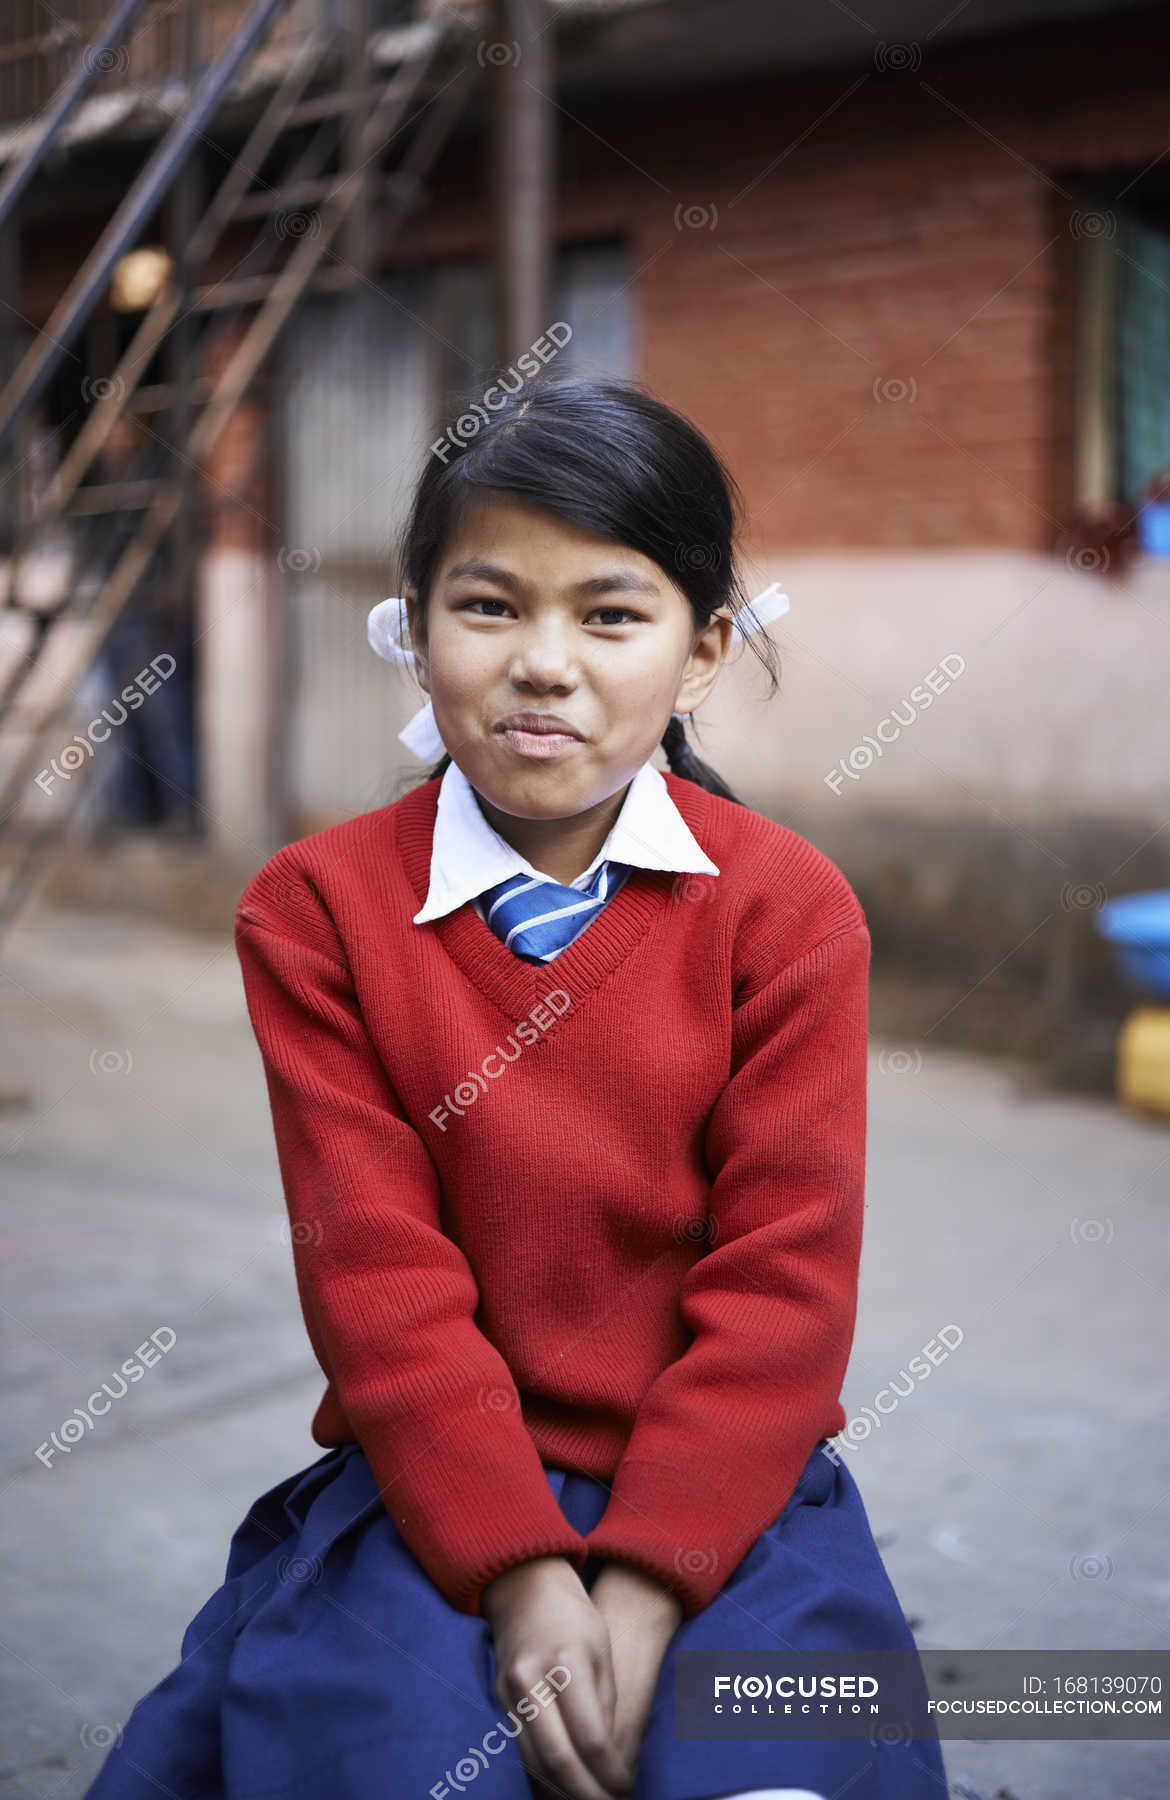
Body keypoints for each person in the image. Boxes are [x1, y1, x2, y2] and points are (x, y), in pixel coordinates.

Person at [84, 376, 948, 1800]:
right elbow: (376, 1277)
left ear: (700, 652)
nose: (544, 663)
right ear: (413, 632)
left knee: (778, 1770)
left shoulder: (786, 914)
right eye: (489, 607)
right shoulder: (318, 913)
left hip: (734, 1498)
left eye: (610, 615)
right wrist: (521, 1575)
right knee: (396, 1763)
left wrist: (651, 1589)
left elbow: (783, 1290)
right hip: (436, 1489)